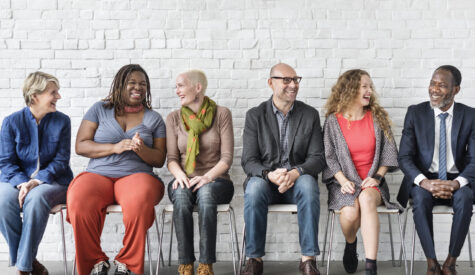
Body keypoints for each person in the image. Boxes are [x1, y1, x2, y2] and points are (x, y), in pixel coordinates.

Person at [67, 64, 166, 275]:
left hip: (137, 175)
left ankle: (128, 264)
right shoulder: (99, 109)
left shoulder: (154, 118)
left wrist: (141, 150)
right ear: (120, 85)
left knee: (139, 200)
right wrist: (114, 147)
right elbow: (81, 145)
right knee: (78, 199)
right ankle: (95, 262)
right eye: (132, 82)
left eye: (142, 84)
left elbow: (159, 159)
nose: (137, 87)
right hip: (97, 174)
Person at [241, 63, 325, 275]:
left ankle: (308, 260)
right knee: (253, 188)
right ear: (271, 83)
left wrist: (295, 172)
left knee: (307, 184)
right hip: (266, 182)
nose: (293, 85)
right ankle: (254, 260)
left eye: (296, 79)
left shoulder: (310, 115)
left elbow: (318, 158)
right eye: (286, 80)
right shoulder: (255, 115)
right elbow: (249, 161)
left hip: (297, 182)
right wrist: (269, 174)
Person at [397, 65, 475, 275]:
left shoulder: (470, 115)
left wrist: (457, 183)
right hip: (424, 178)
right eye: (433, 83)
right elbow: (404, 156)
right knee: (420, 200)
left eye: (442, 85)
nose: (434, 89)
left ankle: (450, 262)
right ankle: (432, 263)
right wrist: (424, 182)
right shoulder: (415, 113)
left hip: (457, 179)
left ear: (455, 90)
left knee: (465, 198)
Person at [322, 69, 401, 275]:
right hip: (343, 182)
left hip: (372, 183)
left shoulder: (377, 118)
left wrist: (377, 177)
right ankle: (351, 243)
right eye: (364, 86)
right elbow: (328, 156)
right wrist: (342, 180)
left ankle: (370, 266)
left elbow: (390, 152)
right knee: (349, 213)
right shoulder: (332, 121)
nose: (369, 90)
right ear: (349, 90)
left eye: (370, 86)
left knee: (365, 199)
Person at [0, 72, 73, 275]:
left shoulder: (63, 121)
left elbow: (61, 161)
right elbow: (6, 162)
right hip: (15, 180)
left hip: (54, 181)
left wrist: (35, 182)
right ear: (35, 97)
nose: (58, 97)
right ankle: (32, 262)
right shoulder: (11, 122)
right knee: (2, 201)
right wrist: (24, 183)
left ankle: (23, 269)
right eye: (53, 92)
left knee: (36, 197)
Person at [166, 70, 234, 275]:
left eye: (181, 85)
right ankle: (185, 263)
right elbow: (171, 159)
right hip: (184, 178)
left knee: (205, 194)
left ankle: (206, 264)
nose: (177, 91)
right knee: (180, 195)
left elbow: (227, 158)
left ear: (198, 87)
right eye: (176, 86)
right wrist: (179, 175)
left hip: (217, 180)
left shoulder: (222, 113)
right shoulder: (173, 118)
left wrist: (207, 177)